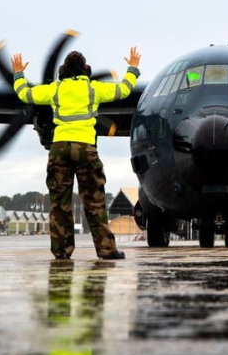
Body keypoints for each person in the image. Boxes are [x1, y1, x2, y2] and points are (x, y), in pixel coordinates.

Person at [10, 46, 141, 260]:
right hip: (85, 148)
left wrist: (18, 74)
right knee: (94, 201)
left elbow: (25, 93)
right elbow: (124, 90)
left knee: (59, 203)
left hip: (59, 148)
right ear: (85, 70)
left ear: (63, 70)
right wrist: (133, 68)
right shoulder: (93, 88)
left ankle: (61, 252)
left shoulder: (55, 89)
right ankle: (107, 250)